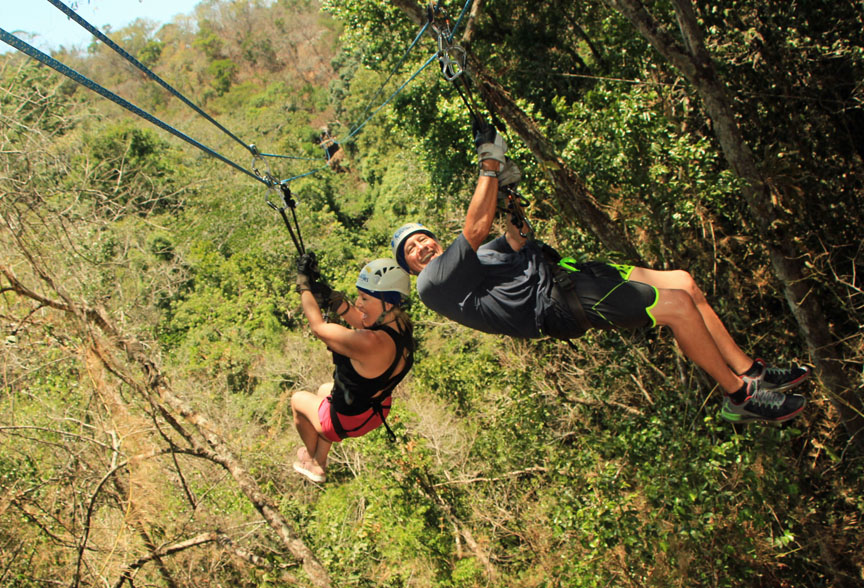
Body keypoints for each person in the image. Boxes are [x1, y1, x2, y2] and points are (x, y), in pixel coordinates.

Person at [390, 124, 809, 424]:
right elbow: (475, 229)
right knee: (677, 307)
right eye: (412, 250)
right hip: (560, 302)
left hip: (571, 276)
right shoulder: (434, 284)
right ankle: (738, 396)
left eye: (423, 239)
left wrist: (508, 196)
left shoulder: (479, 262)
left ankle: (749, 369)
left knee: (683, 282)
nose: (422, 247)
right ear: (412, 268)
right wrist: (490, 166)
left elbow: (517, 238)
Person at [291, 255, 414, 482]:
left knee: (298, 400)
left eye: (364, 298)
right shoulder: (402, 324)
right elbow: (363, 320)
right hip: (376, 408)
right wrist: (335, 301)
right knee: (323, 390)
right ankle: (321, 457)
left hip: (348, 419)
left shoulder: (369, 343)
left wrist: (304, 287)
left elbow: (319, 328)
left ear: (387, 302)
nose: (358, 303)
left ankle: (313, 460)